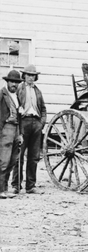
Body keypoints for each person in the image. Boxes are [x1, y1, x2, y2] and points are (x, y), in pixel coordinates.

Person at [12, 64, 46, 194]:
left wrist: (41, 123)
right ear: (24, 76)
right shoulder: (19, 89)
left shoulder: (37, 91)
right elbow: (14, 106)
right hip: (23, 123)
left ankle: (30, 186)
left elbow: (43, 108)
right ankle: (16, 185)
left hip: (36, 123)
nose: (31, 78)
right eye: (28, 75)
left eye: (33, 75)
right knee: (18, 155)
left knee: (34, 157)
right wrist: (18, 124)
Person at [0, 70, 23, 199]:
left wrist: (20, 134)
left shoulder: (17, 96)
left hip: (16, 130)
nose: (14, 84)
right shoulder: (2, 94)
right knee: (3, 160)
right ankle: (0, 189)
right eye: (12, 82)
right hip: (5, 129)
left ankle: (5, 189)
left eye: (16, 82)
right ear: (7, 82)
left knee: (12, 160)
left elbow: (19, 117)